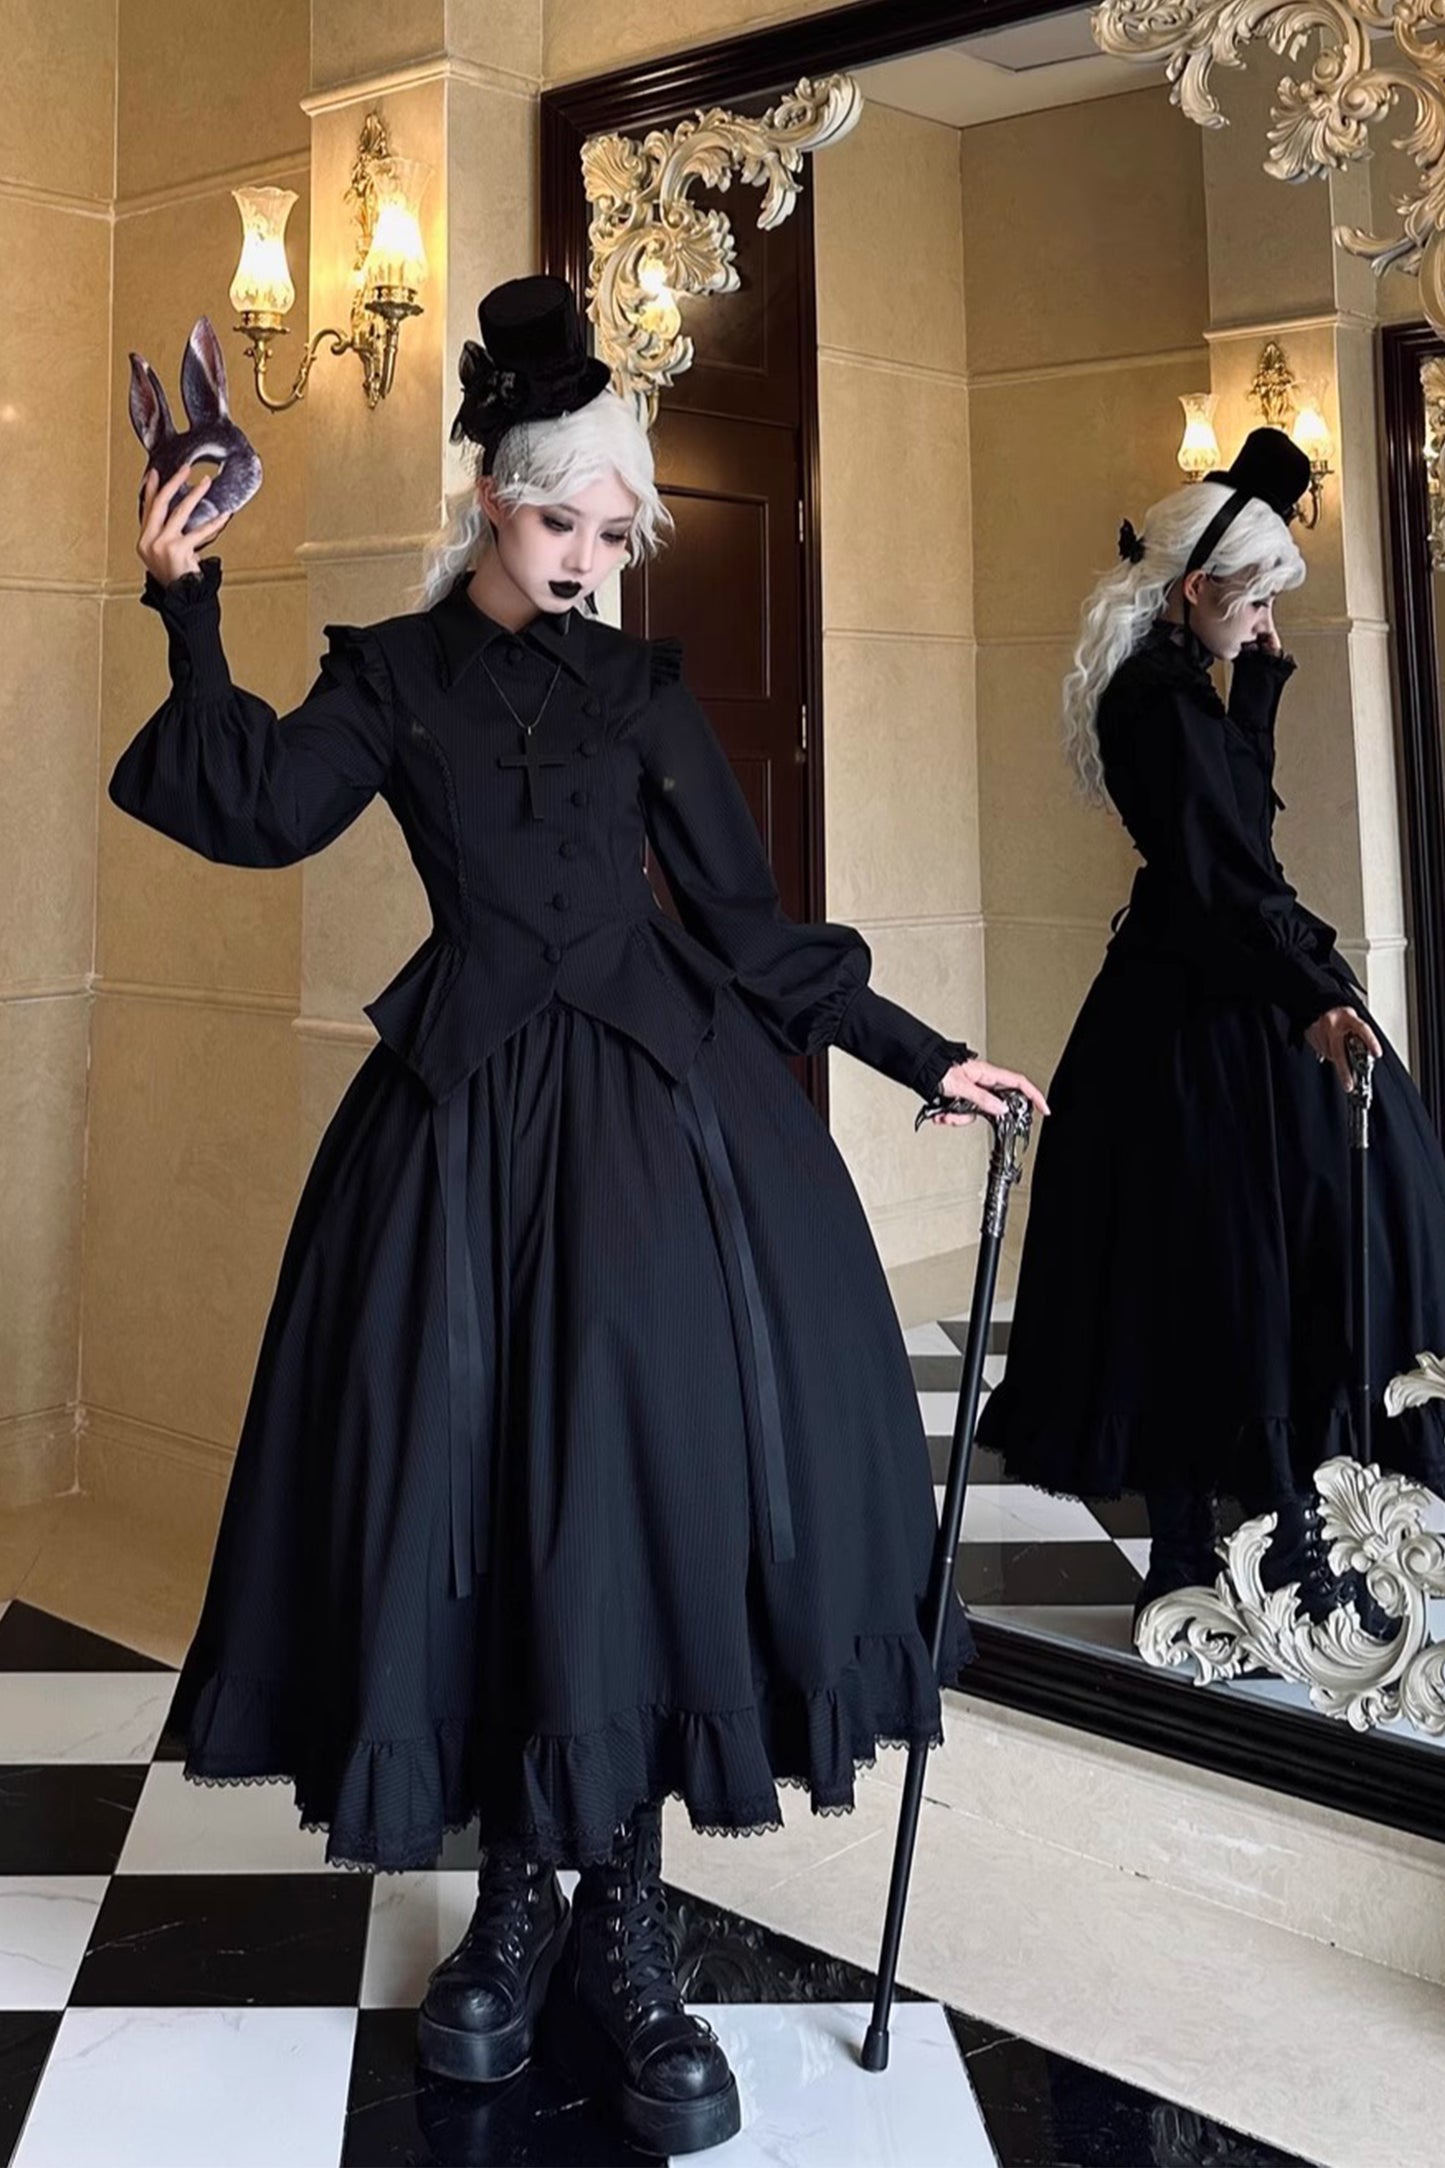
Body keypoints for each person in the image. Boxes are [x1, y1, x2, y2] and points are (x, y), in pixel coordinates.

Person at [112, 274, 1048, 2157]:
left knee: (634, 1502)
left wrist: (918, 1052)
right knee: (474, 1509)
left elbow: (748, 924)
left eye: (619, 534)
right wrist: (185, 604)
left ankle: (626, 1921)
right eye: (565, 523)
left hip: (655, 1137)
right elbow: (261, 807)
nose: (593, 560)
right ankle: (517, 1904)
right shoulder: (392, 674)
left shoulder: (637, 688)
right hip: (460, 1137)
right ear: (490, 497)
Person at [974, 428, 1445, 1632]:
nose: (1264, 620)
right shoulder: (1154, 695)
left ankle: (1276, 1523)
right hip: (1199, 1004)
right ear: (1194, 587)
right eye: (1255, 599)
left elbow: (1239, 828)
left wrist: (1261, 688)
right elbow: (1221, 870)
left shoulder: (1178, 680)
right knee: (1215, 1266)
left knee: (1255, 1259)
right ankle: (1217, 1540)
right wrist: (1309, 995)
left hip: (1217, 974)